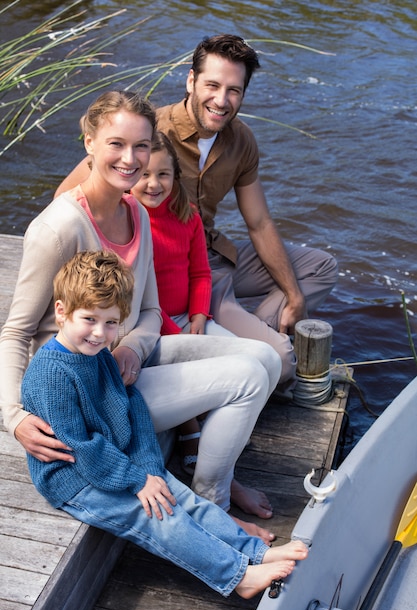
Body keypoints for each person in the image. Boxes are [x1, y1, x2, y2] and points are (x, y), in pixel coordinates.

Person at [0, 90, 282, 542]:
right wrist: (13, 417)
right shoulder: (58, 229)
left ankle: (215, 482)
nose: (130, 159)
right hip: (89, 392)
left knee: (267, 359)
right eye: (116, 143)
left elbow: (149, 311)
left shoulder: (136, 212)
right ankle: (214, 505)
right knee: (248, 376)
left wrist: (132, 346)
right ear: (89, 142)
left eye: (141, 146)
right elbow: (15, 331)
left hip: (129, 364)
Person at [54, 35, 338, 396]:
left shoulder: (242, 140)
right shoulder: (148, 133)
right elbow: (66, 196)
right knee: (280, 361)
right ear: (191, 81)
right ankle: (248, 339)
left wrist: (294, 296)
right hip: (159, 273)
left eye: (234, 90)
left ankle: (252, 325)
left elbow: (259, 223)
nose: (222, 101)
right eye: (213, 85)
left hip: (208, 260)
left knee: (321, 267)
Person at [21, 249, 308, 598]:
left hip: (115, 459)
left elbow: (133, 408)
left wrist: (148, 467)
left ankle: (255, 551)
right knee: (157, 516)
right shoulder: (52, 373)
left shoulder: (98, 357)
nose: (99, 333)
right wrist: (136, 479)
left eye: (111, 323)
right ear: (62, 311)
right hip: (75, 479)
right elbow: (80, 448)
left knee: (181, 496)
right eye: (89, 319)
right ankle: (238, 576)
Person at [131, 130, 235, 475]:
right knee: (180, 366)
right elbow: (143, 293)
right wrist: (176, 331)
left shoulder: (187, 215)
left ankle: (223, 424)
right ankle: (191, 431)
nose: (153, 184)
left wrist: (199, 315)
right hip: (151, 321)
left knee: (242, 357)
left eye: (163, 174)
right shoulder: (129, 220)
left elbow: (200, 274)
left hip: (188, 316)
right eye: (144, 174)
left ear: (176, 175)